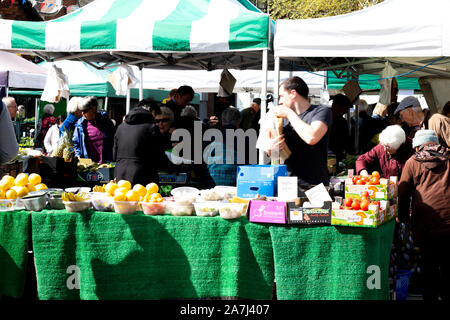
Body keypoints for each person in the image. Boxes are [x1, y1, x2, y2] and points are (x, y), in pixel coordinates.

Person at [398, 129, 450, 300]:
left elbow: (403, 192)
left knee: (429, 266)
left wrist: (403, 217)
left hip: (425, 222)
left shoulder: (413, 162)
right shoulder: (449, 157)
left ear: (418, 146)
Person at [270, 76, 332, 186]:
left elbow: (312, 137)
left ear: (293, 93)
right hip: (288, 183)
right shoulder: (283, 120)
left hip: (316, 184)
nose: (279, 101)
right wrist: (273, 149)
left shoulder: (321, 111)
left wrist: (289, 114)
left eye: (281, 96)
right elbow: (276, 157)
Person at [113, 105, 171, 186]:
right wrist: (176, 168)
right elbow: (159, 157)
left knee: (122, 197)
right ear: (151, 113)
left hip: (120, 175)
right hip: (143, 177)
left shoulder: (120, 127)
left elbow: (114, 155)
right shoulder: (151, 128)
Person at [204, 107, 242, 186]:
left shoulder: (210, 136)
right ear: (238, 123)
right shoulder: (245, 138)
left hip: (211, 180)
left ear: (223, 122)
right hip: (236, 181)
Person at [73, 96, 116, 163]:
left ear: (93, 108)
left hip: (105, 164)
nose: (83, 114)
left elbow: (114, 141)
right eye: (81, 111)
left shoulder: (107, 123)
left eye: (85, 111)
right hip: (87, 164)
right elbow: (76, 143)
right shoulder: (80, 124)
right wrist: (78, 154)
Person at [328, 93, 352, 170]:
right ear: (338, 106)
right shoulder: (323, 118)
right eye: (346, 108)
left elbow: (346, 140)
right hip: (325, 155)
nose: (347, 111)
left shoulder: (342, 121)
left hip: (337, 156)